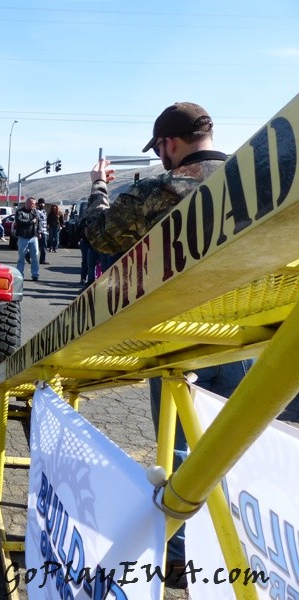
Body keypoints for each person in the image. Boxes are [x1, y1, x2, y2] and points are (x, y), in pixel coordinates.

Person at [84, 101, 254, 589]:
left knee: (179, 449)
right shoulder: (248, 181)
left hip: (182, 339)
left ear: (169, 143)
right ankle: (227, 539)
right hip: (244, 334)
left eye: (159, 147)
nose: (160, 156)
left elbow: (98, 232)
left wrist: (100, 186)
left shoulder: (166, 187)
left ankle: (178, 554)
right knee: (227, 442)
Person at [13, 197, 40, 281]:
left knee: (35, 256)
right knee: (21, 257)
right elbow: (19, 221)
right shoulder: (20, 212)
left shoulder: (35, 212)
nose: (34, 205)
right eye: (32, 203)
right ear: (27, 203)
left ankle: (35, 274)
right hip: (23, 237)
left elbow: (38, 222)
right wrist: (30, 221)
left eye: (34, 204)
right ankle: (20, 273)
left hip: (33, 237)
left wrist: (39, 231)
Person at [36, 198, 49, 264]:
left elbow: (45, 221)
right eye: (41, 203)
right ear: (38, 204)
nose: (42, 204)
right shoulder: (37, 211)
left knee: (43, 246)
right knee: (41, 246)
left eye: (43, 203)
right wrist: (39, 232)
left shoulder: (44, 211)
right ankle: (42, 260)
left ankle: (42, 259)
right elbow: (38, 222)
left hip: (45, 230)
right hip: (40, 231)